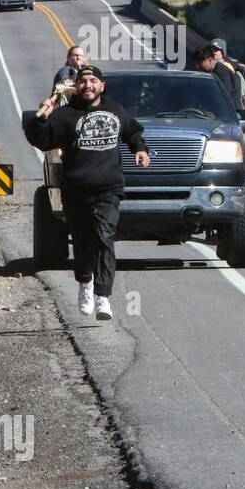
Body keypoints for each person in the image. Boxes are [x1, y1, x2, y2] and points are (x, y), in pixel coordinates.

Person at [23, 64, 151, 320]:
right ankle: (85, 282)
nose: (88, 84)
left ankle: (103, 297)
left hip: (108, 188)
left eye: (93, 80)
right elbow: (43, 140)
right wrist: (42, 118)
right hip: (76, 190)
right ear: (76, 87)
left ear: (102, 86)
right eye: (83, 81)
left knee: (104, 237)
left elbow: (132, 130)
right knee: (82, 241)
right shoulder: (66, 115)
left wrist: (140, 149)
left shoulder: (115, 110)